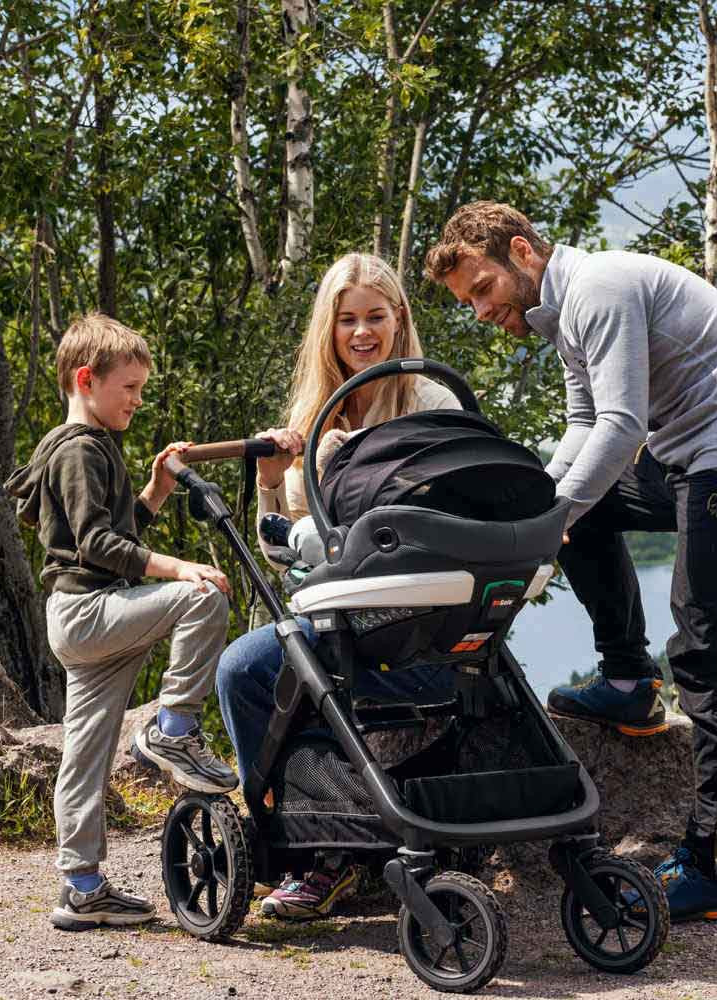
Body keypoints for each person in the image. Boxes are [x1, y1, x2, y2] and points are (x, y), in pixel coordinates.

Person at [424, 202, 717, 923]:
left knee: (707, 654)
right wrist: (540, 509)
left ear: (522, 253)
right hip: (695, 463)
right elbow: (582, 427)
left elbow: (622, 426)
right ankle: (629, 680)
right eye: (467, 301)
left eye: (482, 289)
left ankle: (714, 865)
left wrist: (551, 521)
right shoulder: (566, 309)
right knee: (588, 507)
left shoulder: (598, 289)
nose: (479, 311)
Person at [216, 252, 459, 921]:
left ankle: (316, 854)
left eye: (374, 317)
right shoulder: (313, 413)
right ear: (328, 328)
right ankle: (316, 847)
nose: (361, 333)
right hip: (340, 619)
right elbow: (285, 553)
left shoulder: (428, 403)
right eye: (347, 320)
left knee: (254, 670)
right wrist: (270, 480)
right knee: (261, 666)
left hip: (409, 625)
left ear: (398, 318)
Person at [4, 313, 237, 931]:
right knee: (203, 595)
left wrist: (156, 489)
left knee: (84, 754)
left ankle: (81, 887)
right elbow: (97, 544)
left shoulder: (80, 446)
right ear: (87, 379)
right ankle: (175, 728)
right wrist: (179, 567)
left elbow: (116, 531)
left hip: (78, 617)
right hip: (90, 610)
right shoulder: (80, 449)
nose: (137, 399)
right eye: (129, 387)